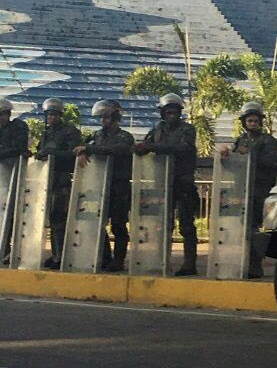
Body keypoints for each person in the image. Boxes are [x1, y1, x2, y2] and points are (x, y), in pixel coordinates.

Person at [134, 93, 198, 276]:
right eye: (168, 112)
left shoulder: (187, 129)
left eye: (175, 112)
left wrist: (153, 147)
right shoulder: (157, 129)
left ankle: (189, 264)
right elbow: (146, 146)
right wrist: (140, 149)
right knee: (162, 224)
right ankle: (161, 261)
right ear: (162, 113)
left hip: (182, 181)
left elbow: (183, 148)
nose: (172, 115)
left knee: (186, 224)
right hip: (162, 181)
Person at [74, 99, 134, 272]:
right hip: (100, 183)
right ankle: (105, 257)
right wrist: (82, 151)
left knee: (118, 224)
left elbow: (116, 150)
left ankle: (118, 259)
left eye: (106, 117)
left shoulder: (124, 136)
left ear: (115, 117)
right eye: (101, 117)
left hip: (119, 184)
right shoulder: (97, 135)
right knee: (97, 223)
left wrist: (88, 149)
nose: (103, 121)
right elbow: (79, 147)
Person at [222, 101, 277, 278]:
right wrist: (226, 157)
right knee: (243, 228)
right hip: (242, 189)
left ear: (260, 122)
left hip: (260, 189)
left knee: (255, 228)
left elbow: (272, 163)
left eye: (255, 121)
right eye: (249, 121)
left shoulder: (268, 141)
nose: (252, 124)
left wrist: (250, 154)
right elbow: (234, 166)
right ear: (244, 122)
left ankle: (255, 265)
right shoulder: (241, 140)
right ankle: (243, 262)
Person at [34, 98, 81, 270]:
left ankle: (60, 255)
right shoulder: (46, 133)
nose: (51, 118)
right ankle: (55, 254)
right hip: (46, 179)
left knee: (58, 219)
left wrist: (51, 152)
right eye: (49, 115)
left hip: (62, 179)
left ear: (60, 115)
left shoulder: (70, 131)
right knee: (48, 219)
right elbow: (41, 150)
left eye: (54, 114)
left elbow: (72, 154)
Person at [0, 98, 29, 264]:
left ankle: (12, 248)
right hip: (2, 176)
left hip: (14, 174)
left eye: (3, 114)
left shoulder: (17, 127)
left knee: (14, 213)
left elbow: (19, 149)